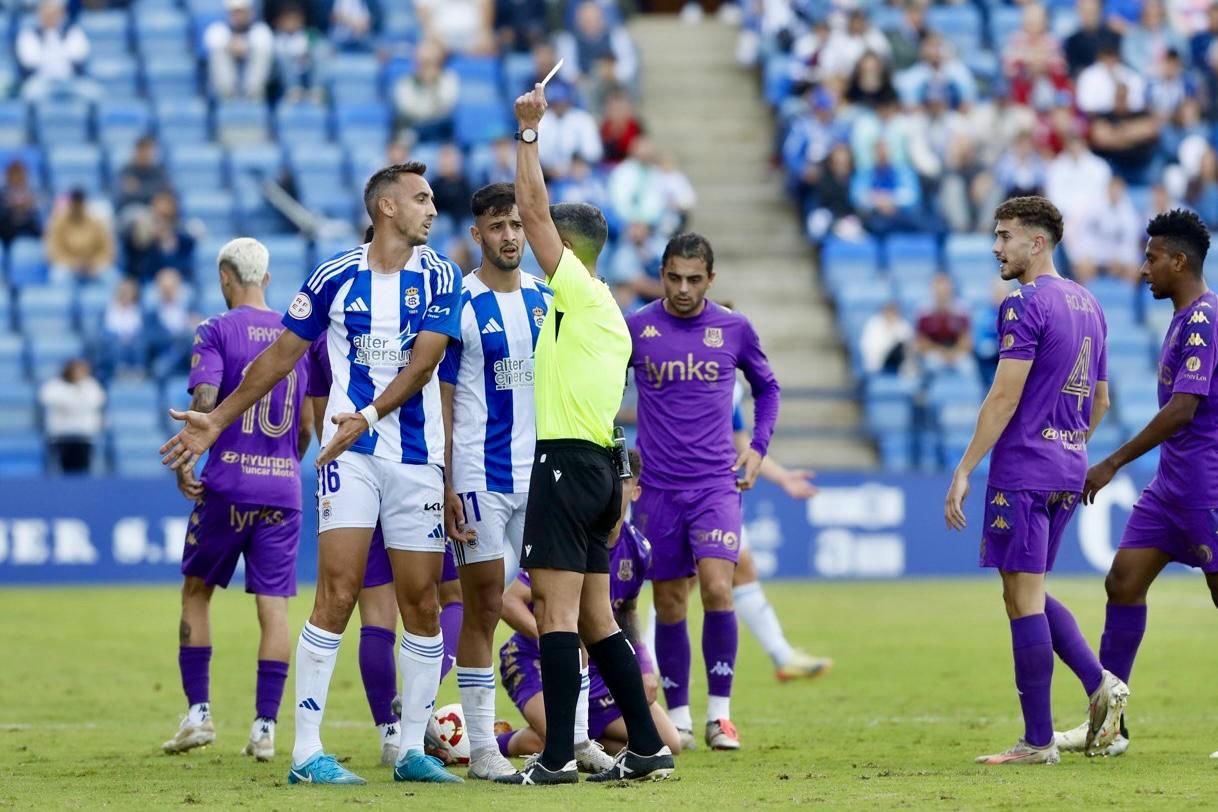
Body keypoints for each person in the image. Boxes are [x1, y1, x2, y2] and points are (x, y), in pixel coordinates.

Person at [160, 162, 465, 786]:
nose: (433, 210)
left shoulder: (441, 275)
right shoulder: (334, 276)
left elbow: (426, 363)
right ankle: (305, 753)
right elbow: (279, 357)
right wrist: (216, 421)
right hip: (346, 458)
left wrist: (372, 413)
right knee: (337, 593)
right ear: (386, 208)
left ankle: (411, 750)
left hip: (414, 455)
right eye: (421, 199)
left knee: (422, 603)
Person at [494, 82, 674, 785]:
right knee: (600, 619)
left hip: (567, 465)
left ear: (566, 250)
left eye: (547, 244)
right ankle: (650, 749)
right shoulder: (604, 313)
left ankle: (559, 757)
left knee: (556, 613)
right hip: (601, 468)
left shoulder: (576, 290)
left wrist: (530, 133)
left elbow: (532, 208)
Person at [943, 196, 1127, 765]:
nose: (997, 247)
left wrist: (965, 467)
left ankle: (1039, 740)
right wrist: (1069, 441)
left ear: (1037, 242)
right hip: (1066, 470)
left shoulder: (1024, 303)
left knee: (1021, 601)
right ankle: (1102, 687)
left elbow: (1004, 395)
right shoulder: (1088, 303)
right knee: (1029, 590)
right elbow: (1100, 400)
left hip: (1023, 470)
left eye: (1005, 236)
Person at [439, 182, 595, 779]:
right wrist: (449, 479)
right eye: (497, 226)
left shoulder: (545, 297)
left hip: (545, 476)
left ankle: (578, 741)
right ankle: (482, 751)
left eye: (516, 225)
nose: (509, 236)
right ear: (478, 235)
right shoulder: (460, 303)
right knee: (481, 608)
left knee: (567, 607)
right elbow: (446, 399)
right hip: (481, 476)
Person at [1071, 209, 1217, 759]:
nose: (1143, 268)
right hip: (1170, 488)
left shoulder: (1204, 319)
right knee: (1123, 583)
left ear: (1179, 261)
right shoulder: (1182, 317)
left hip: (1207, 486)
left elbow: (1183, 409)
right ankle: (1112, 724)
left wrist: (1111, 463)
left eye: (1153, 258)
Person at [160, 238, 313, 763]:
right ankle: (266, 727)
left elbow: (204, 405)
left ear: (226, 276)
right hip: (283, 490)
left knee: (196, 593)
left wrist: (187, 463)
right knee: (274, 608)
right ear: (265, 279)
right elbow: (306, 428)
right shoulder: (299, 336)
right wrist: (283, 464)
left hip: (227, 486)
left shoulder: (215, 330)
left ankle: (199, 715)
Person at [626, 232, 780, 752]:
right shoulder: (637, 328)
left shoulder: (733, 329)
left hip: (716, 484)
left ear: (711, 279)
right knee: (668, 602)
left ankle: (721, 715)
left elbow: (768, 387)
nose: (684, 289)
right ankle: (680, 717)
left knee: (717, 587)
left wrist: (757, 448)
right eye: (674, 278)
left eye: (695, 279)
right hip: (657, 490)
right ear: (662, 274)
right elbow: (599, 385)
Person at [304, 323, 463, 767]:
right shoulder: (427, 319)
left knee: (373, 614)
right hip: (414, 466)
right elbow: (443, 402)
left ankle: (390, 736)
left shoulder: (328, 331)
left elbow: (320, 412)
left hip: (351, 468)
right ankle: (418, 704)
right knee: (446, 599)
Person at [498, 448, 684, 758]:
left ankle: (588, 737)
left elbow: (627, 611)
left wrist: (645, 667)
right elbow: (510, 603)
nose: (614, 487)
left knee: (670, 743)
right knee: (558, 742)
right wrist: (561, 646)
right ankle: (495, 741)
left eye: (623, 482)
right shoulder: (568, 537)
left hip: (597, 668)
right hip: (533, 658)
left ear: (635, 491)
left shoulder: (639, 549)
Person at [39, 358, 105, 474]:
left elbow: (95, 401)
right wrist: (74, 403)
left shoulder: (91, 385)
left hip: (84, 437)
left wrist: (72, 402)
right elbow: (47, 399)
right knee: (60, 471)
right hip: (60, 436)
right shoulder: (54, 385)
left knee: (82, 471)